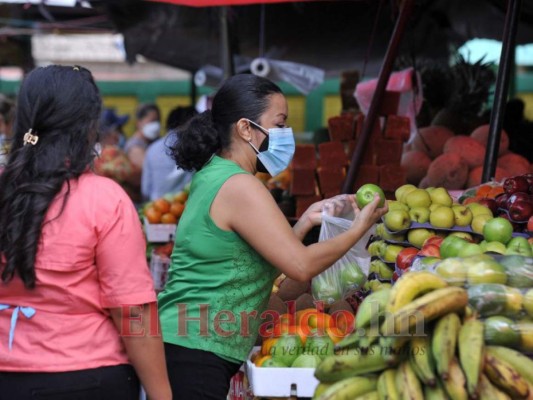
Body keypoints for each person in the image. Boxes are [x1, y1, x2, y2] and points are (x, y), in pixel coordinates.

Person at [157, 73, 386, 399]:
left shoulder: (215, 173)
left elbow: (258, 255)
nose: (285, 136)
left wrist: (304, 222)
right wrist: (360, 228)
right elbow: (300, 266)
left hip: (190, 343)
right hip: (196, 349)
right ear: (246, 128)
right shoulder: (239, 185)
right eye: (279, 125)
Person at [0, 65, 171, 400]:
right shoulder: (104, 199)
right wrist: (162, 394)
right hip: (88, 378)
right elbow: (132, 311)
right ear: (88, 124)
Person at [141, 105, 197, 201]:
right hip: (184, 208)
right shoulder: (194, 148)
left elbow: (145, 190)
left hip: (156, 210)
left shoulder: (152, 149)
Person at [94, 108, 142, 202]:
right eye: (119, 129)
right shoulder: (111, 153)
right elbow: (138, 178)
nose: (121, 133)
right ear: (111, 133)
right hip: (118, 205)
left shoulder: (89, 153)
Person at [124, 103, 161, 171]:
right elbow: (149, 170)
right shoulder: (134, 147)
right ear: (139, 122)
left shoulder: (151, 142)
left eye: (157, 121)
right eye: (152, 121)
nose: (156, 125)